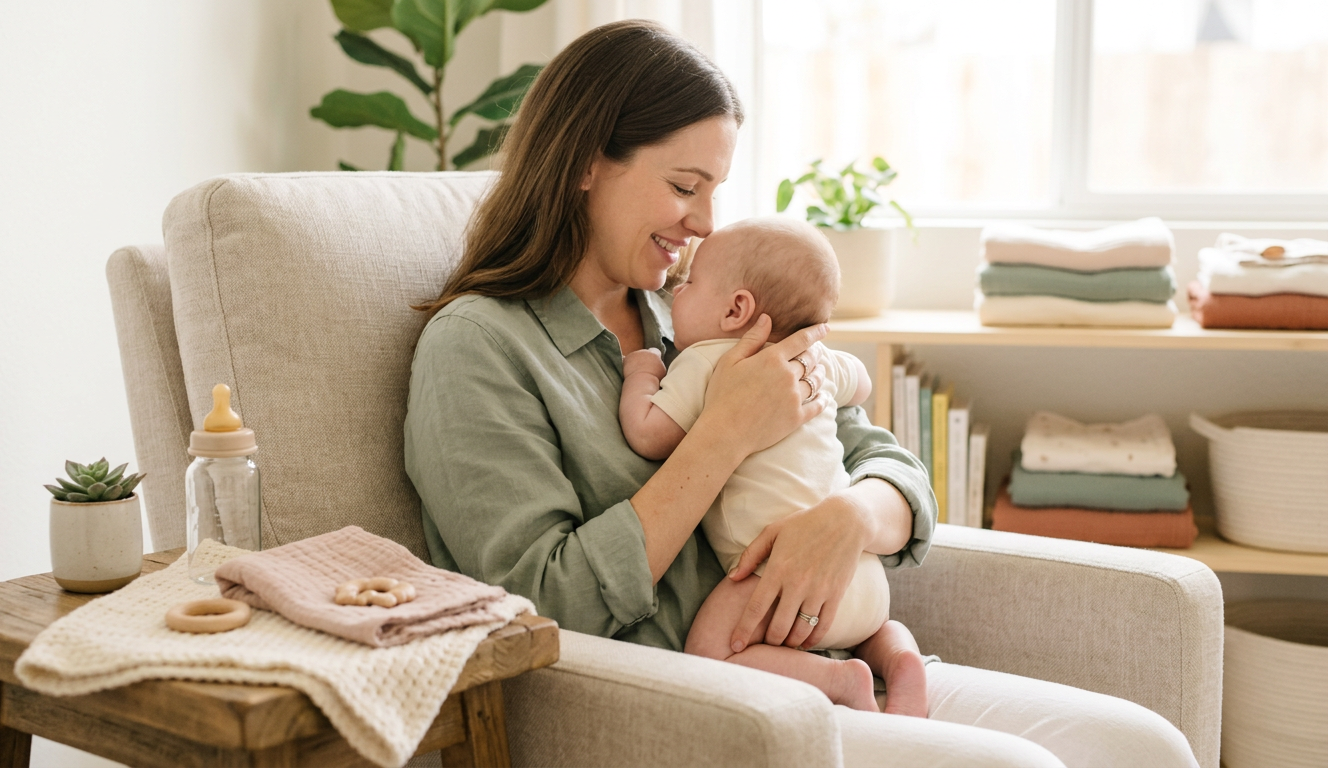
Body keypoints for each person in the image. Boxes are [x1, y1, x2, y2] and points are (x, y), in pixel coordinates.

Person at [405, 18, 1199, 767]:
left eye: (716, 188)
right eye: (686, 185)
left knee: (1143, 748)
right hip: (691, 696)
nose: (707, 222)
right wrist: (723, 435)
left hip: (831, 656)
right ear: (585, 161)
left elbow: (883, 458)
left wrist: (846, 519)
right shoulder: (479, 346)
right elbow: (539, 605)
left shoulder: (704, 309)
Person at [618, 217, 927, 715]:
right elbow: (862, 382)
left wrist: (643, 373)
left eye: (689, 283)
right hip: (858, 574)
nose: (677, 290)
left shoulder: (704, 362)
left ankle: (839, 680)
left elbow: (648, 433)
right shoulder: (812, 360)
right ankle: (898, 659)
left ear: (736, 309)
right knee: (871, 630)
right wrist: (822, 356)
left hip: (774, 576)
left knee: (710, 649)